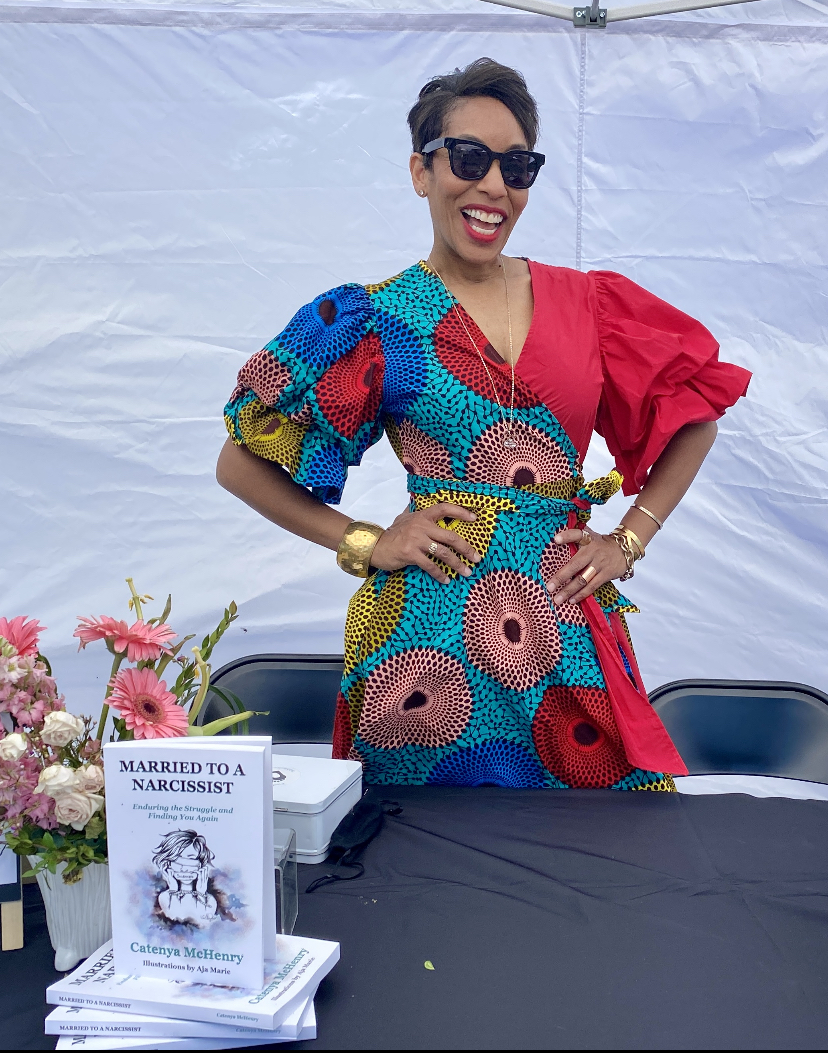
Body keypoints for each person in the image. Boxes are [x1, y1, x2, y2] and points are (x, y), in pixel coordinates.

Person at [217, 58, 750, 790]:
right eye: (469, 158)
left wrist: (628, 539)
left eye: (518, 166)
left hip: (567, 642)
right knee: (415, 877)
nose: (494, 186)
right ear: (422, 171)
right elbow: (238, 460)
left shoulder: (590, 305)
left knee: (601, 869)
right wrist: (366, 540)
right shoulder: (375, 319)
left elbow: (698, 413)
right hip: (423, 652)